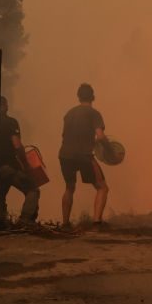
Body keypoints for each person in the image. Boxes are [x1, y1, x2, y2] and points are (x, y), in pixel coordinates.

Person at [58, 83, 110, 230]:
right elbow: (100, 136)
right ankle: (97, 223)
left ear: (78, 96)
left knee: (69, 187)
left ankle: (65, 224)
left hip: (65, 154)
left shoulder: (69, 113)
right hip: (84, 155)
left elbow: (64, 135)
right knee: (102, 187)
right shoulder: (94, 113)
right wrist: (110, 150)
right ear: (93, 96)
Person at [0, 96, 41, 227]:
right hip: (9, 167)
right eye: (6, 105)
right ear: (4, 106)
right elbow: (17, 146)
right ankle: (25, 220)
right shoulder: (11, 122)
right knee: (33, 189)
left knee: (0, 194)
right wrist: (26, 165)